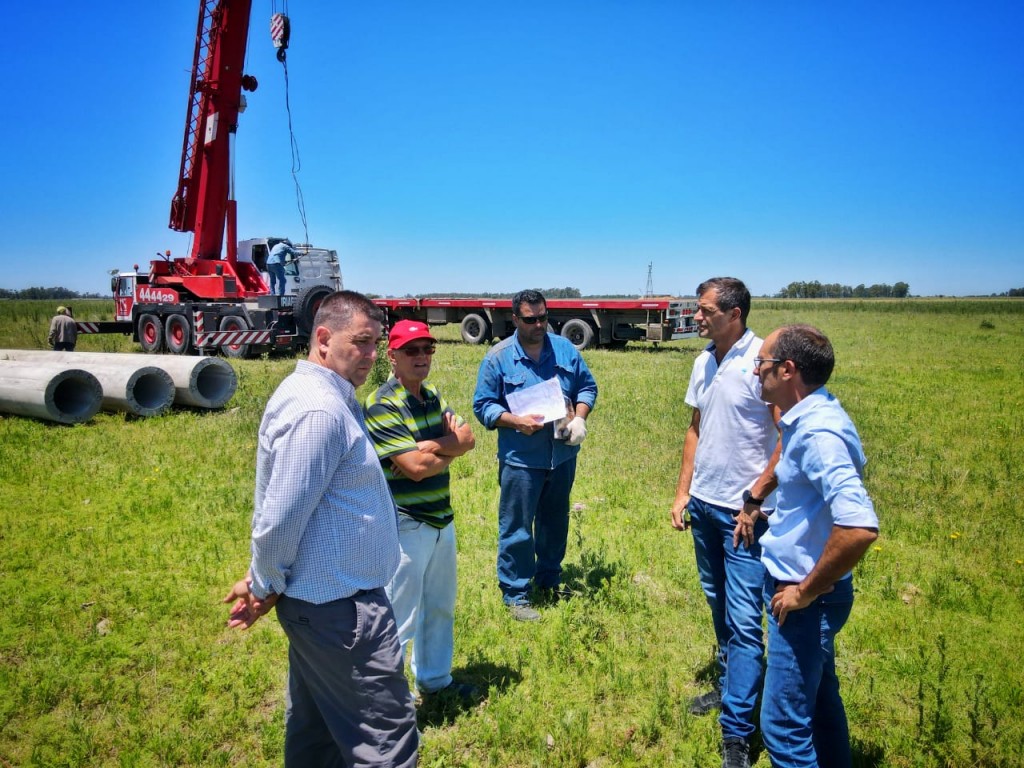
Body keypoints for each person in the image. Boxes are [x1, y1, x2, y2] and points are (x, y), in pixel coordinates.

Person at [223, 290, 418, 768]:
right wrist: (264, 583)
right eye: (363, 342)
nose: (373, 356)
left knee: (318, 735)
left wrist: (265, 581)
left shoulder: (328, 398)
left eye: (377, 344)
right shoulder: (319, 411)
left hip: (325, 606)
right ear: (324, 338)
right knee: (385, 743)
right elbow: (280, 517)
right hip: (342, 613)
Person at [753, 324, 879, 768]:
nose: (756, 374)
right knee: (822, 701)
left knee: (783, 728)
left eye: (762, 365)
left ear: (787, 370)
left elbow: (859, 526)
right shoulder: (806, 421)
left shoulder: (819, 435)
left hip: (805, 598)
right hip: (808, 590)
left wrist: (805, 591)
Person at [668, 277, 780, 768]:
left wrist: (755, 500)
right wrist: (682, 492)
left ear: (735, 314)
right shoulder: (703, 360)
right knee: (718, 606)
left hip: (743, 516)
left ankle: (737, 729)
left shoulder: (763, 363)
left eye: (705, 310)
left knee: (742, 620)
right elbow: (695, 429)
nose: (696, 317)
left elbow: (785, 438)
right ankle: (730, 685)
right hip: (705, 507)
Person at [364, 319, 477, 700]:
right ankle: (385, 698)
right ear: (391, 356)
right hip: (406, 524)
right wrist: (447, 447)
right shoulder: (381, 404)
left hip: (442, 520)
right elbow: (413, 470)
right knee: (399, 616)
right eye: (411, 350)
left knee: (440, 608)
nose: (421, 357)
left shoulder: (432, 396)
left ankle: (435, 680)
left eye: (427, 349)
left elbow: (469, 438)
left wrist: (428, 446)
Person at [473, 289, 598, 621]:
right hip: (521, 459)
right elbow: (483, 406)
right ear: (515, 319)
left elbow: (587, 387)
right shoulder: (498, 358)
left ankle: (549, 581)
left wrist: (581, 418)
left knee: (555, 523)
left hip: (562, 455)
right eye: (531, 319)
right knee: (517, 527)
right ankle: (516, 594)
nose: (540, 324)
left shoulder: (565, 349)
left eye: (544, 317)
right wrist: (514, 421)